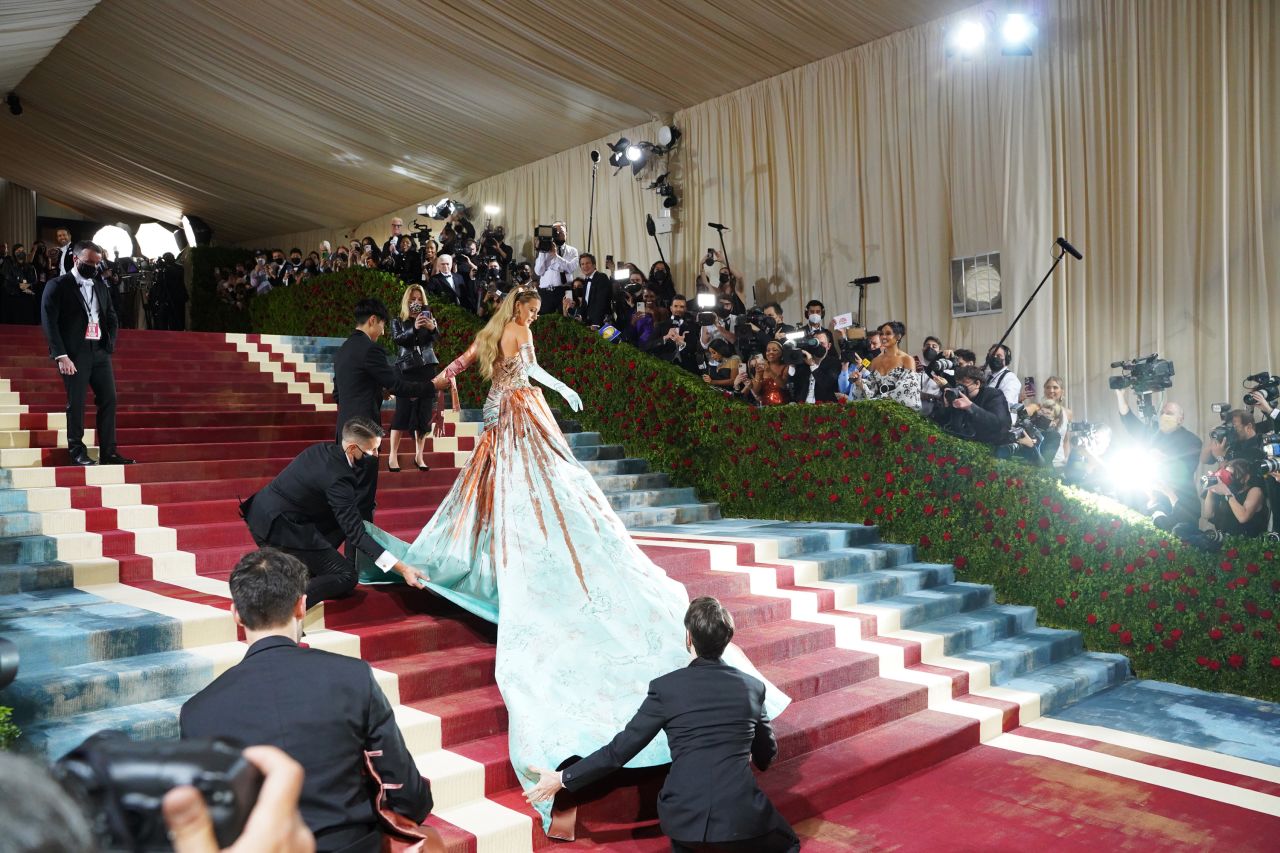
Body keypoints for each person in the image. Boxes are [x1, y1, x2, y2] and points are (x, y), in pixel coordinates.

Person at [358, 288, 788, 833]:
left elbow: (461, 366)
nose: (535, 318)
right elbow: (528, 372)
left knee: (505, 495)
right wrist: (560, 387)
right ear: (520, 310)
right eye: (532, 311)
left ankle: (493, 564)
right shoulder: (515, 334)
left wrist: (437, 385)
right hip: (519, 418)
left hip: (501, 417)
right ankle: (517, 565)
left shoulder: (491, 335)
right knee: (531, 494)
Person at [182, 549, 432, 852]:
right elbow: (406, 791)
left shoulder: (197, 711)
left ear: (236, 613)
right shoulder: (351, 676)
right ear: (301, 605)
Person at [525, 597, 799, 853]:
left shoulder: (666, 688)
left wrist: (562, 779)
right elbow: (766, 757)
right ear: (728, 640)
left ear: (688, 638)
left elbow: (618, 751)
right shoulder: (753, 688)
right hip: (742, 820)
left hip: (686, 822)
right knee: (790, 844)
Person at [241, 419, 425, 604]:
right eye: (371, 450)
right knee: (346, 575)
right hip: (279, 527)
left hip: (262, 513)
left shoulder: (322, 450)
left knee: (341, 521)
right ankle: (283, 602)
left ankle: (304, 571)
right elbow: (357, 535)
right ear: (353, 448)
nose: (376, 455)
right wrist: (403, 569)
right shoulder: (338, 479)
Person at [331, 299, 432, 519]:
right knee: (363, 502)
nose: (384, 332)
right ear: (373, 320)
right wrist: (433, 386)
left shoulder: (344, 349)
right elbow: (397, 385)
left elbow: (338, 394)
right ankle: (360, 551)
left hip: (343, 433)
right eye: (383, 326)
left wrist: (376, 391)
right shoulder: (371, 349)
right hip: (364, 434)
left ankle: (353, 551)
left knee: (350, 501)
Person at [39, 241, 134, 466]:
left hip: (99, 351)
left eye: (97, 263)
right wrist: (61, 355)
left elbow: (111, 315)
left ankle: (109, 452)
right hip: (74, 353)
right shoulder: (58, 285)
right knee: (77, 402)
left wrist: (109, 343)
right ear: (75, 259)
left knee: (109, 399)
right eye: (89, 262)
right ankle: (77, 450)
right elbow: (49, 323)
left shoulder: (101, 285)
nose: (94, 267)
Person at [388, 285, 439, 472]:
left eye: (419, 299)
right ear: (406, 301)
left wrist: (432, 328)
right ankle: (393, 455)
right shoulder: (398, 320)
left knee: (424, 413)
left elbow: (436, 339)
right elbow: (398, 340)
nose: (416, 303)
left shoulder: (429, 317)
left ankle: (419, 455)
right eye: (412, 300)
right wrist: (414, 329)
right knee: (402, 411)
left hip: (426, 369)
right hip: (406, 370)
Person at [935, 365, 1013, 447]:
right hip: (961, 445)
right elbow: (942, 423)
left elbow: (998, 423)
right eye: (958, 385)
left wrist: (971, 407)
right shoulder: (958, 396)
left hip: (988, 446)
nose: (960, 389)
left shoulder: (993, 395)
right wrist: (946, 406)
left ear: (977, 384)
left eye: (963, 385)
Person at [851, 321, 922, 411]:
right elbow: (871, 389)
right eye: (881, 334)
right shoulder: (875, 361)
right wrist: (859, 382)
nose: (883, 337)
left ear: (898, 337)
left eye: (888, 333)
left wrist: (880, 400)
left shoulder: (907, 359)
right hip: (876, 411)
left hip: (898, 413)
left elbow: (909, 390)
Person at [533, 221, 578, 312]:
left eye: (561, 232)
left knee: (565, 320)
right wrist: (542, 251)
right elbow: (538, 271)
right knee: (545, 321)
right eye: (555, 232)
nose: (558, 234)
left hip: (564, 291)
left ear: (566, 233)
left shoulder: (572, 251)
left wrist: (555, 255)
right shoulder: (544, 251)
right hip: (545, 292)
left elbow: (570, 268)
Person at [984, 343, 1020, 423]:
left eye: (999, 356)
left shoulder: (1011, 379)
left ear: (1006, 359)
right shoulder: (986, 375)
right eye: (992, 355)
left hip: (1000, 425)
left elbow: (1005, 405)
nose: (994, 358)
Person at [577, 252, 613, 327]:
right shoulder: (586, 282)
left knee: (609, 339)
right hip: (590, 323)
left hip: (602, 323)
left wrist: (596, 323)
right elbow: (585, 304)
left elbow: (601, 302)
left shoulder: (601, 277)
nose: (585, 266)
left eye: (587, 263)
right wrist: (580, 316)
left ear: (594, 264)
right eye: (582, 264)